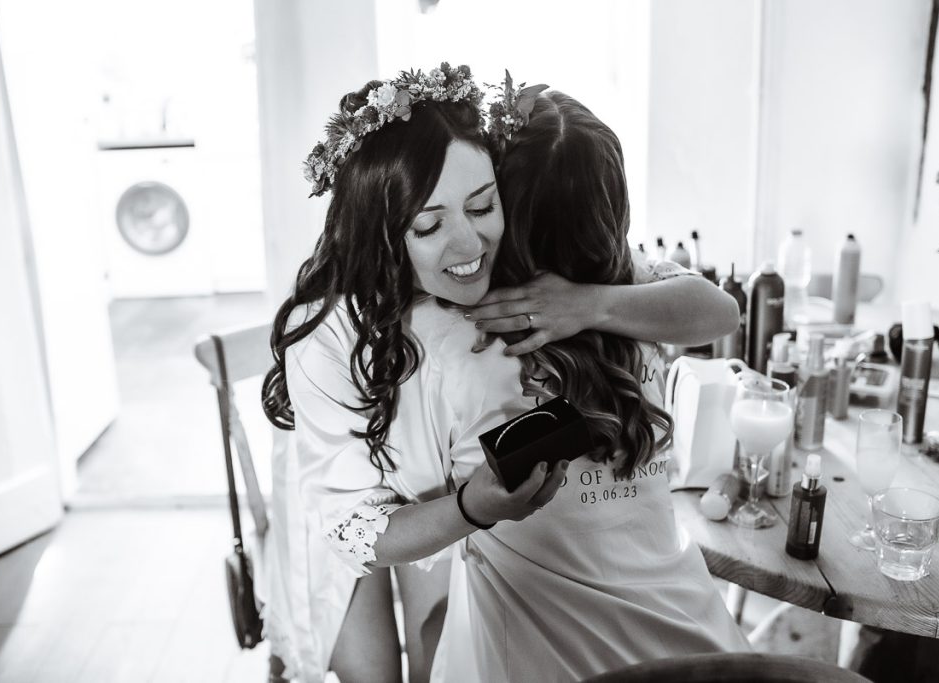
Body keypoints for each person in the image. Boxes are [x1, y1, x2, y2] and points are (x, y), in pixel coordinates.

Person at [261, 64, 739, 683]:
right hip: (578, 614)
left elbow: (718, 310)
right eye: (429, 225)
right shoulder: (415, 337)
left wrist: (588, 303)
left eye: (483, 206)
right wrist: (469, 509)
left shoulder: (597, 288)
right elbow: (356, 529)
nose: (467, 245)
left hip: (630, 616)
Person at [413, 88, 751, 681]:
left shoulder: (455, 327)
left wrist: (585, 304)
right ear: (610, 213)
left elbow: (723, 310)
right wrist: (594, 303)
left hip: (540, 657)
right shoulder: (637, 296)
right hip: (683, 633)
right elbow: (721, 311)